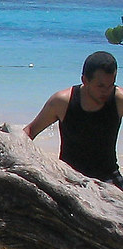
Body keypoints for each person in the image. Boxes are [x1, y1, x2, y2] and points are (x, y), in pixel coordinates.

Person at [23, 51, 123, 188]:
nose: (106, 91)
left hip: (108, 177)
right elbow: (30, 131)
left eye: (111, 84)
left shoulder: (119, 99)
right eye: (100, 86)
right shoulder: (62, 102)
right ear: (85, 80)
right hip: (68, 178)